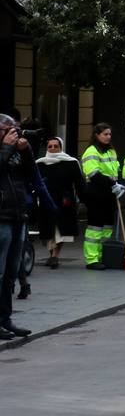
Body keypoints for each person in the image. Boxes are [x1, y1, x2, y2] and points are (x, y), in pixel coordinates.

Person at [0, 115, 44, 339]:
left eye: (15, 130)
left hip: (17, 216)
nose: (14, 134)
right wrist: (6, 149)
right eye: (8, 130)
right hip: (1, 220)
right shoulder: (5, 150)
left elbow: (31, 175)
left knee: (9, 274)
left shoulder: (15, 151)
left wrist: (25, 151)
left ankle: (5, 319)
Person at [36, 137, 86, 269]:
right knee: (48, 229)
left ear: (61, 147)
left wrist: (85, 199)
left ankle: (55, 255)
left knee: (59, 230)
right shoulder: (39, 164)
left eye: (55, 146)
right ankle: (52, 253)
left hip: (64, 201)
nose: (52, 149)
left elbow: (79, 183)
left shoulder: (70, 162)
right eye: (50, 146)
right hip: (46, 201)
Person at [81, 123, 123, 272]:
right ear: (97, 135)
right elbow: (94, 174)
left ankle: (103, 256)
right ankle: (92, 259)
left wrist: (118, 184)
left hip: (109, 193)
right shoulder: (91, 152)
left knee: (107, 227)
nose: (108, 137)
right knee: (95, 227)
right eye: (105, 134)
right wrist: (113, 183)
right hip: (96, 193)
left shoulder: (111, 151)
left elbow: (115, 170)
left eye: (109, 134)